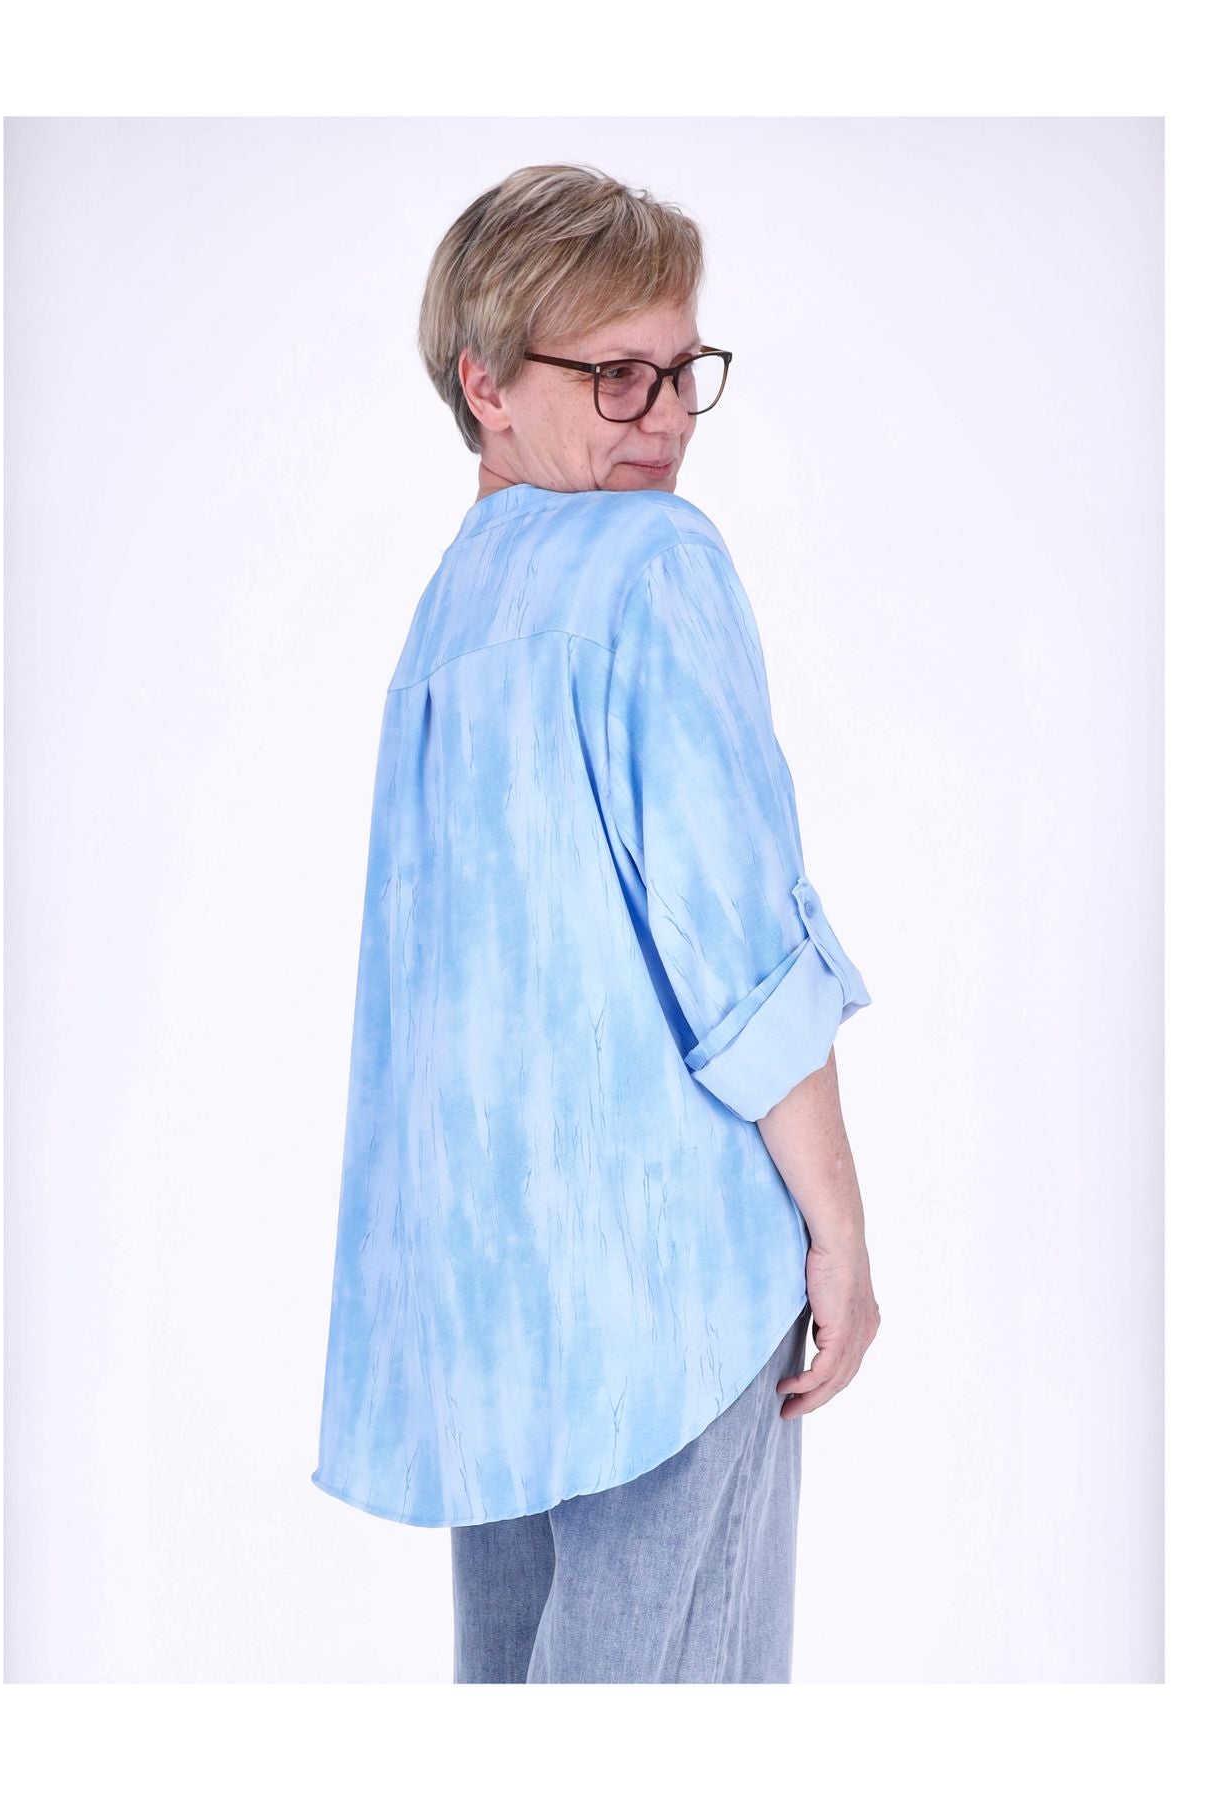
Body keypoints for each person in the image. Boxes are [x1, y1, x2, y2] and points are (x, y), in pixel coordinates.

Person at [311, 163, 880, 1683]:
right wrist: (837, 1231)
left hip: (493, 1311)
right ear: (483, 384)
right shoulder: (654, 563)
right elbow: (738, 942)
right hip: (672, 1286)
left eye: (682, 370)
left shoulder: (452, 611)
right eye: (615, 376)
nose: (664, 418)